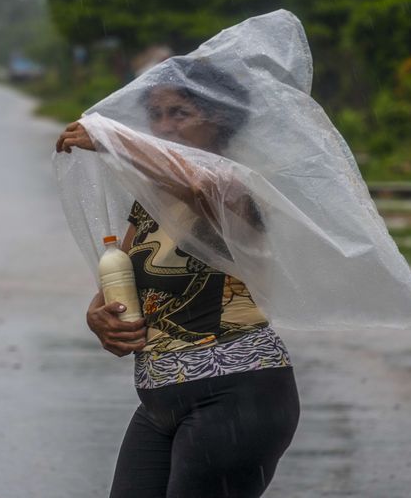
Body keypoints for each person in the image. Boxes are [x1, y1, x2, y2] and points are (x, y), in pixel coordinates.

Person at [56, 58, 300, 498]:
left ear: (219, 119)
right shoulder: (151, 198)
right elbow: (120, 284)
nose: (163, 127)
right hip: (159, 401)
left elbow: (203, 189)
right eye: (155, 115)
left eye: (179, 113)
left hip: (237, 395)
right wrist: (99, 319)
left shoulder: (235, 185)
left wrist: (117, 143)